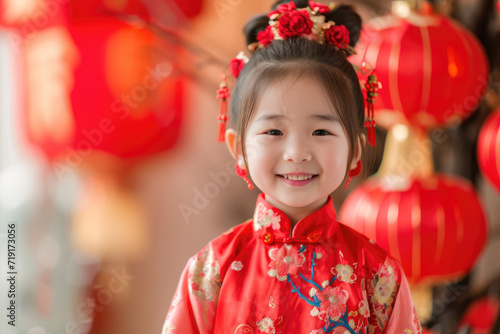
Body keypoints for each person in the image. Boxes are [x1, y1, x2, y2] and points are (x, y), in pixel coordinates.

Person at [162, 1, 422, 333]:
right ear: (238, 147)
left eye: (321, 131)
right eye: (273, 131)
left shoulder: (378, 275)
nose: (297, 152)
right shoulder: (211, 269)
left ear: (355, 149)